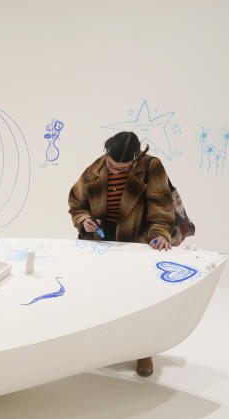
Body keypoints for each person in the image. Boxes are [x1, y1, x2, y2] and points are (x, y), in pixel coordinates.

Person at [67, 131, 175, 377]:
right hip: (101, 244)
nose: (114, 171)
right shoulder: (94, 170)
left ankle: (142, 352)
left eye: (121, 169)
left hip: (137, 243)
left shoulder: (151, 168)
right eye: (111, 165)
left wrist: (159, 233)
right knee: (101, 298)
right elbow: (77, 203)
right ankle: (106, 349)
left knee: (139, 301)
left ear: (136, 158)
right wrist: (84, 221)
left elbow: (162, 206)